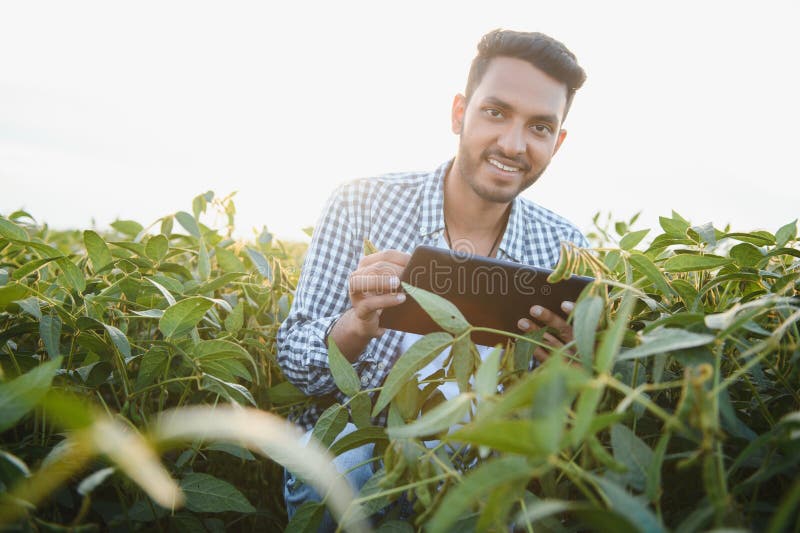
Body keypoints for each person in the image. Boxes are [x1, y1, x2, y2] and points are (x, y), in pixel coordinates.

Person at [277, 29, 588, 526]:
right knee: (345, 468)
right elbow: (295, 360)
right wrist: (355, 325)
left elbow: (565, 409)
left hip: (475, 466)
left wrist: (566, 368)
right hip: (363, 450)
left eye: (540, 127)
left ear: (558, 141)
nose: (513, 144)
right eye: (496, 112)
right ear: (459, 112)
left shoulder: (565, 248)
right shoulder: (362, 203)